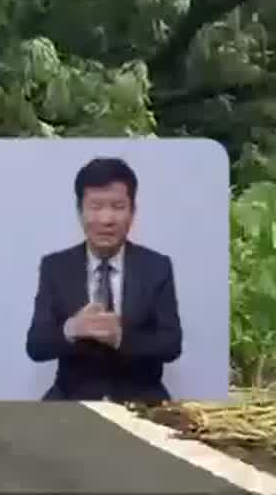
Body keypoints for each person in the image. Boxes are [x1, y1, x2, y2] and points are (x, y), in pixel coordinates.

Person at [24, 156, 182, 402]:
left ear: (132, 211)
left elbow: (171, 344)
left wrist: (121, 337)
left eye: (118, 207)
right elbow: (35, 345)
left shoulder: (157, 266)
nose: (107, 219)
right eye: (96, 207)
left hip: (142, 395)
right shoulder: (55, 266)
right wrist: (72, 329)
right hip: (73, 394)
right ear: (80, 212)